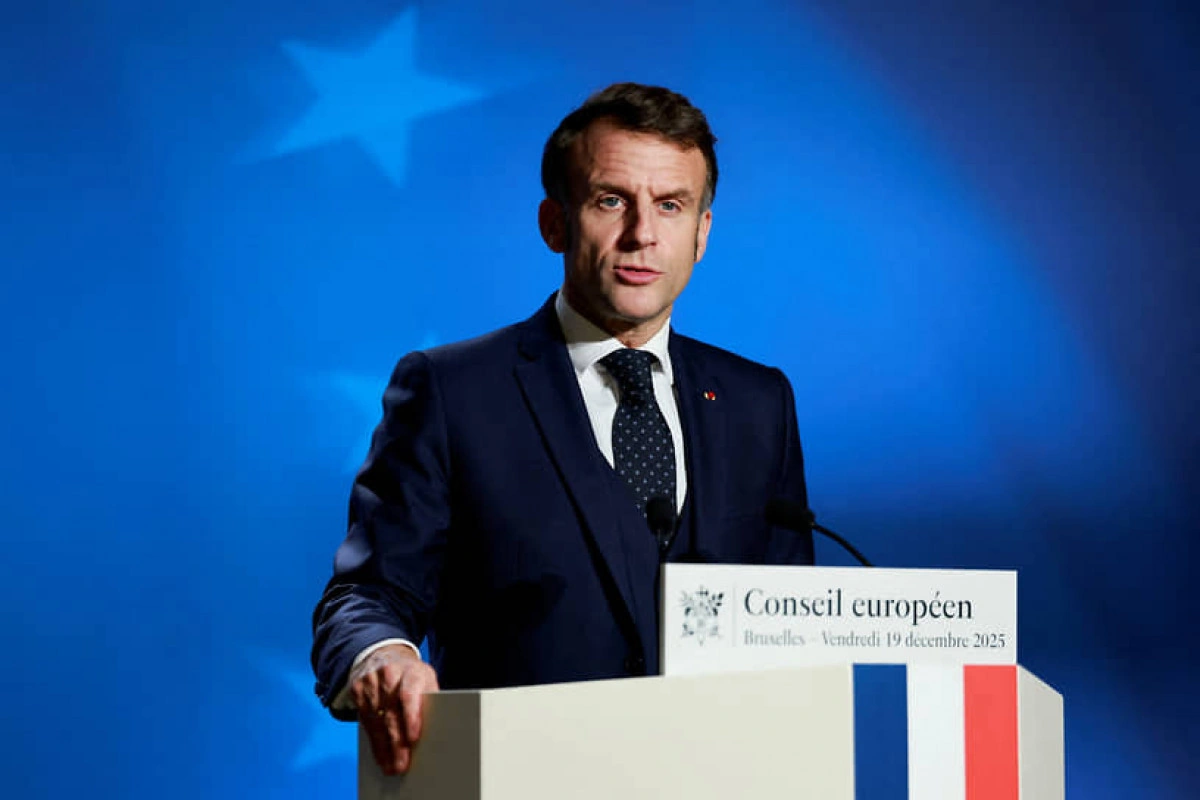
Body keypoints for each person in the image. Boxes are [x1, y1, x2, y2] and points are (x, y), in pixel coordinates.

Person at [311, 82, 814, 775]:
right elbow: (366, 595)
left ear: (702, 233)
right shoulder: (453, 391)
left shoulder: (759, 401)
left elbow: (791, 623)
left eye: (671, 205)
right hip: (515, 775)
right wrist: (384, 654)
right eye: (611, 200)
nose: (643, 234)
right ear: (555, 222)